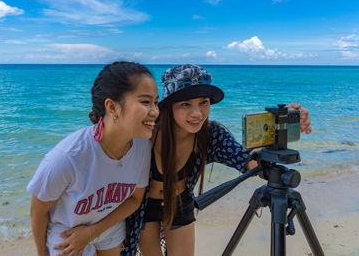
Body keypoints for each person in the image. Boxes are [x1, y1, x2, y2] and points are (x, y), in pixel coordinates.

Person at [134, 64, 312, 256]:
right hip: (142, 206)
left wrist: (279, 133)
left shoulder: (211, 135)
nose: (197, 113)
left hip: (180, 203)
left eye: (204, 102)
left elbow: (247, 161)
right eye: (185, 104)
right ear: (169, 106)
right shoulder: (147, 132)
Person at [27, 61, 159, 256]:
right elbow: (38, 210)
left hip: (108, 224)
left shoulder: (142, 145)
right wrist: (42, 253)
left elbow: (135, 199)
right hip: (66, 230)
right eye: (146, 102)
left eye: (156, 102)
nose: (155, 111)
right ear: (112, 107)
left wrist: (91, 232)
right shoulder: (68, 157)